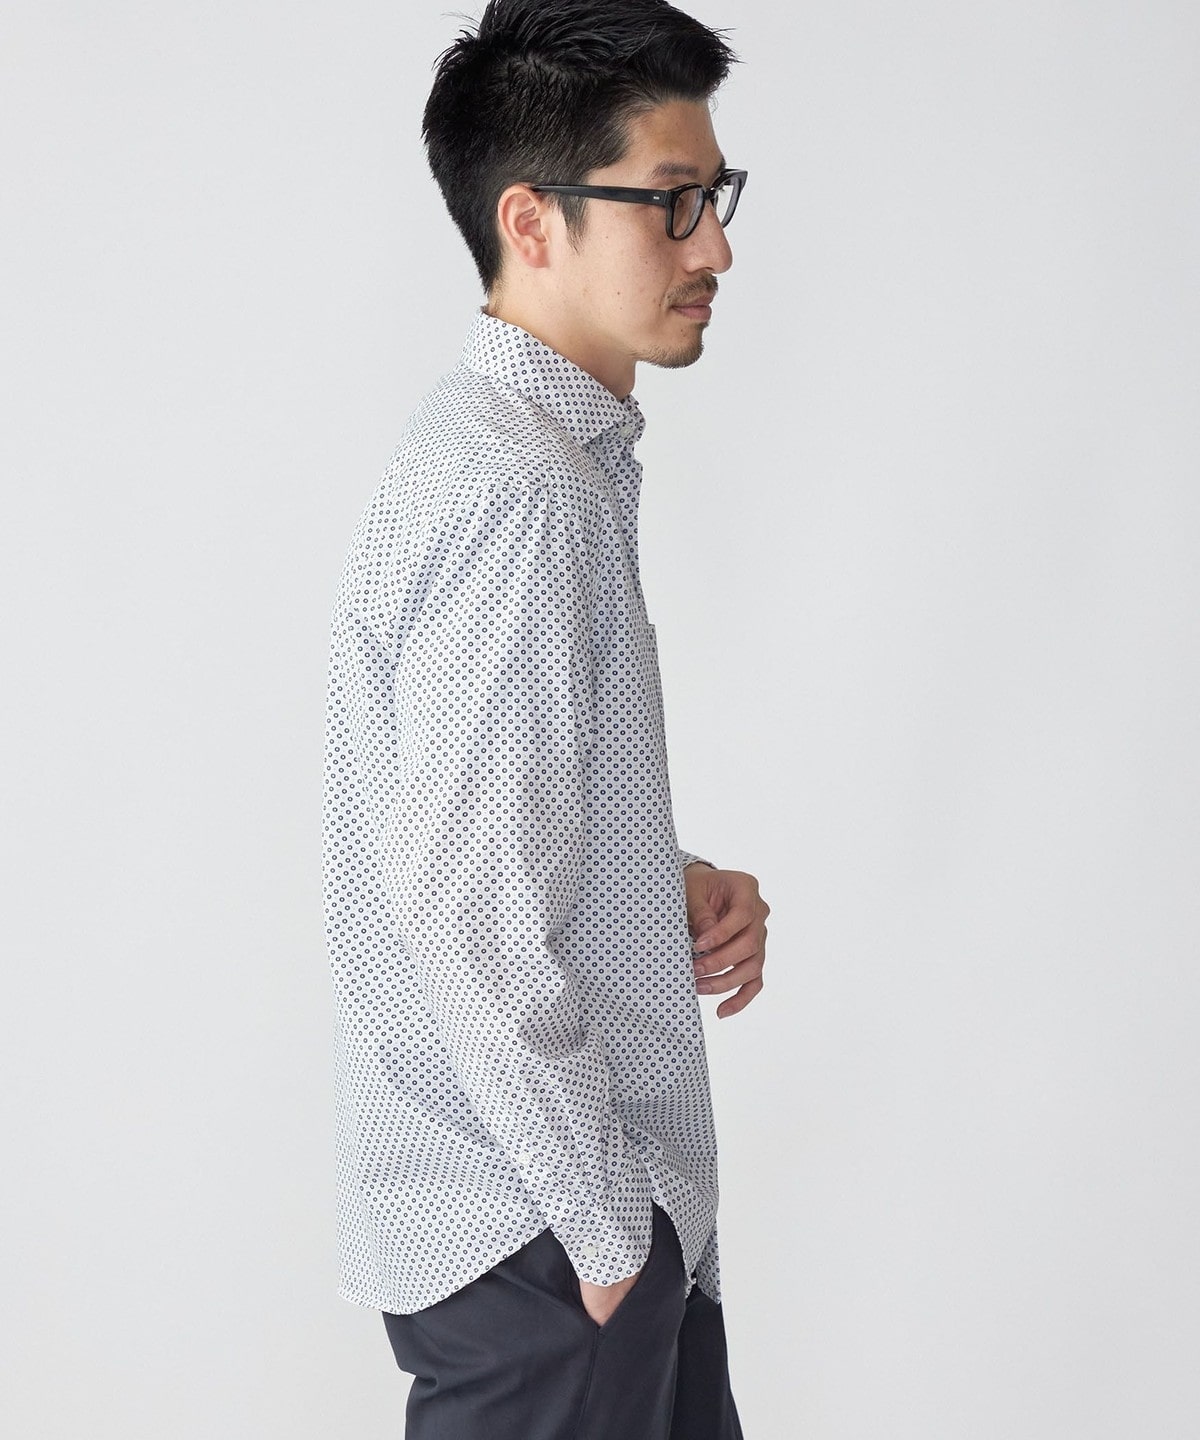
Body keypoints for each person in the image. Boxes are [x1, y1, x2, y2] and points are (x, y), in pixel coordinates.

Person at [322, 2, 770, 1435]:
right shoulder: (524, 488)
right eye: (672, 201)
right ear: (532, 221)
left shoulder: (513, 457)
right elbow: (466, 900)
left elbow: (481, 822)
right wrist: (603, 1231)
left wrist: (652, 880)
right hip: (548, 1244)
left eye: (718, 195)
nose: (713, 247)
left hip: (566, 1235)